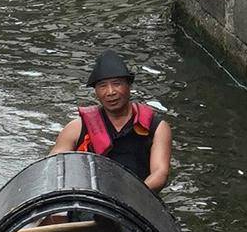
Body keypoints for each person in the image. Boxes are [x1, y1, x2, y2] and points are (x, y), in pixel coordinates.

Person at [51, 50, 173, 192]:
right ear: (96, 91)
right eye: (102, 86)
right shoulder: (76, 128)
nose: (110, 92)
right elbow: (54, 166)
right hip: (88, 197)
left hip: (136, 197)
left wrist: (130, 195)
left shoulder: (156, 128)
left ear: (129, 86)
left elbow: (160, 173)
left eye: (117, 84)